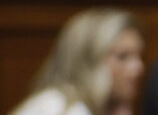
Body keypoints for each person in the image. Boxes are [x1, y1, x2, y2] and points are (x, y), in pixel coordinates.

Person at [9, 8, 145, 115]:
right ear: (88, 61)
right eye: (123, 57)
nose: (138, 67)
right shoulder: (58, 108)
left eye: (138, 56)